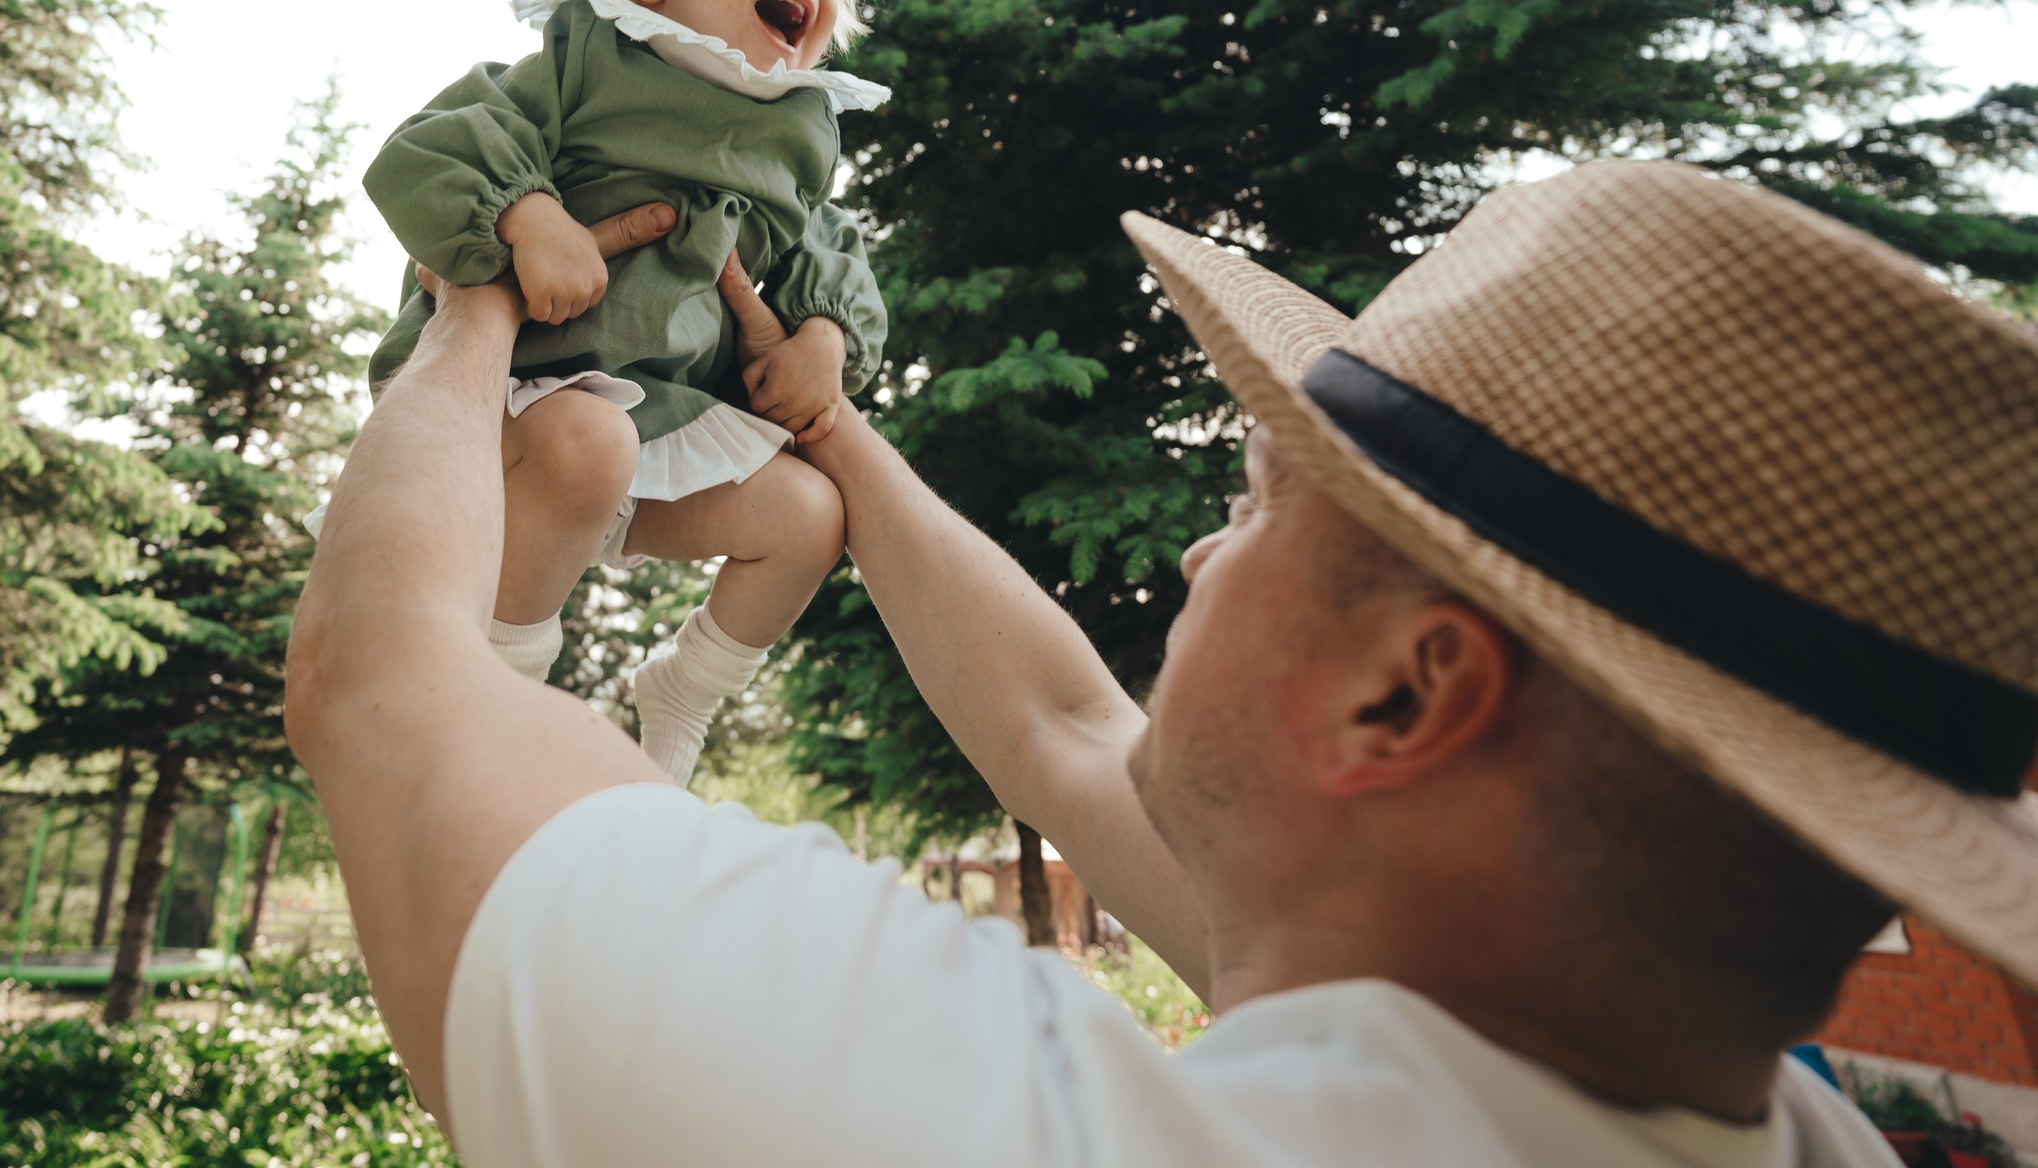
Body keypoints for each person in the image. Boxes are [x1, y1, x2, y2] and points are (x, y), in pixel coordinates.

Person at [286, 159, 2038, 1165]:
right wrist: (837, 434)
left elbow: (391, 690)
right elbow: (1064, 729)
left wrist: (473, 312)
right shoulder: (1779, 1128)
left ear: (1406, 695)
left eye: (1263, 505)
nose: (1203, 549)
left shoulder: (972, 1124)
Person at [325, 0, 888, 784]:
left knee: (807, 514)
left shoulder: (796, 137)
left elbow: (821, 252)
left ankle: (683, 686)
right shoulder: (594, 61)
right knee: (588, 440)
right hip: (500, 420)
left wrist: (826, 342)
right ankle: (507, 683)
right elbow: (446, 134)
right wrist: (526, 213)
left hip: (644, 434)